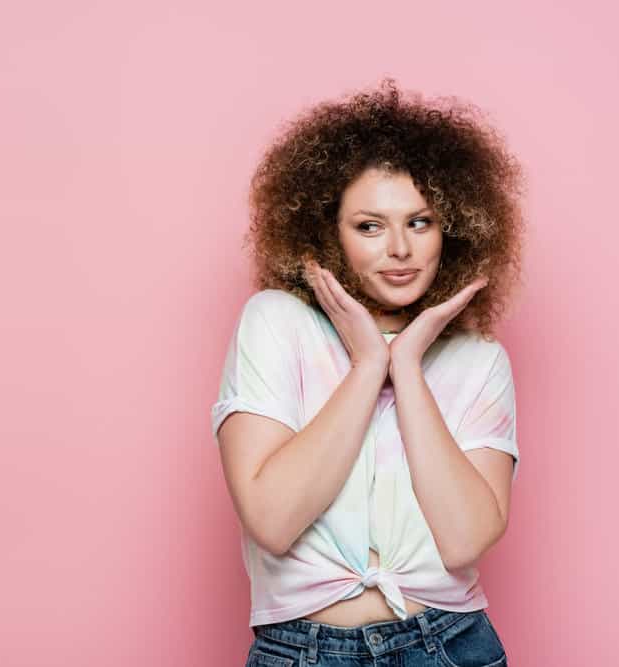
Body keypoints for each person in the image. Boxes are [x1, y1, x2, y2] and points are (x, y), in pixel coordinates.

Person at [211, 77, 525, 667]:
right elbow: (273, 521)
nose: (400, 249)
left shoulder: (479, 359)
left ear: (453, 230)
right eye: (370, 226)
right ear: (327, 231)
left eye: (421, 222)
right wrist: (367, 365)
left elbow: (463, 541)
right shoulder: (276, 323)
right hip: (302, 650)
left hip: (450, 645)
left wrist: (406, 364)